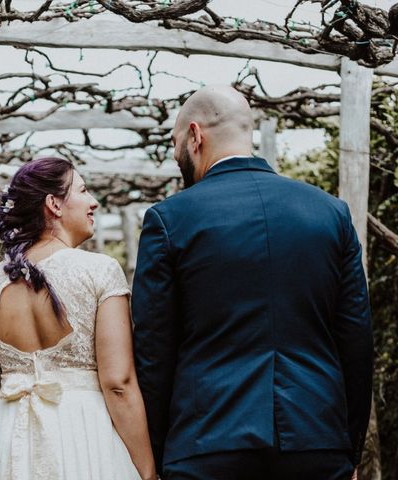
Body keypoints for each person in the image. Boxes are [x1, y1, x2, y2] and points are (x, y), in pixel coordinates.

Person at [132, 85, 373, 480]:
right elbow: (356, 338)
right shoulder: (330, 213)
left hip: (206, 444)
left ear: (195, 135)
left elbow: (154, 350)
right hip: (317, 441)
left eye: (175, 143)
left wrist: (159, 452)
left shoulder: (169, 220)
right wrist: (349, 443)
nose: (176, 156)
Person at [0, 157, 156, 480]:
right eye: (84, 190)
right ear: (54, 205)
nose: (94, 202)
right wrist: (146, 470)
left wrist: (10, 425)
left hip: (10, 445)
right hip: (87, 440)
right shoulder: (100, 272)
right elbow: (118, 383)